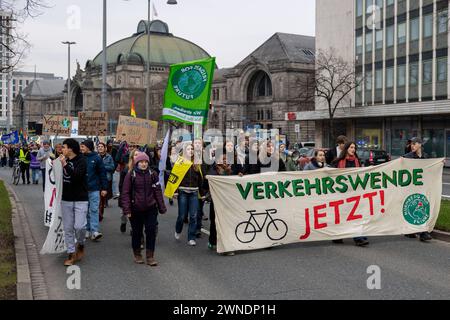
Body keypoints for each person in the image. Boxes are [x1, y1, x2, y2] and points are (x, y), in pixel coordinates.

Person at [121, 153, 167, 266]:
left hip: (151, 208)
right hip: (135, 209)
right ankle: (137, 254)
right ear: (137, 163)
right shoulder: (131, 175)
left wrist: (161, 206)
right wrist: (127, 210)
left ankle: (150, 256)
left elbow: (157, 191)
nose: (144, 164)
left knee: (151, 231)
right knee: (137, 232)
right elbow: (125, 193)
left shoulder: (153, 174)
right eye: (141, 162)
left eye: (146, 162)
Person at [332, 142, 369, 247]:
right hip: (341, 194)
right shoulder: (338, 161)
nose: (353, 149)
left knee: (355, 216)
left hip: (354, 193)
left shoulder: (357, 161)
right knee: (342, 216)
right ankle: (337, 236)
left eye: (354, 148)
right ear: (347, 148)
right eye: (351, 147)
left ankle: (359, 238)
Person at [60, 139, 88, 267]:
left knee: (79, 227)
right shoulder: (60, 160)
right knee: (68, 228)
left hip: (80, 198)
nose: (62, 150)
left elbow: (77, 176)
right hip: (66, 198)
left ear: (70, 149)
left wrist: (65, 165)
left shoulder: (81, 161)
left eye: (64, 147)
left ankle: (81, 243)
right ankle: (71, 253)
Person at [173, 143, 205, 246]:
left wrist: (202, 193)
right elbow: (174, 177)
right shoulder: (180, 162)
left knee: (193, 216)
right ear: (184, 151)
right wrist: (175, 191)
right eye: (188, 149)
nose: (190, 151)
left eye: (192, 149)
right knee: (182, 216)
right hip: (183, 192)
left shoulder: (197, 163)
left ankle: (191, 237)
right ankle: (178, 230)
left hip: (194, 193)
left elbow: (200, 179)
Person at [403, 137, 433, 242]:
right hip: (411, 187)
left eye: (414, 144)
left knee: (422, 207)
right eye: (411, 144)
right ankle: (412, 230)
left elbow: (431, 168)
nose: (412, 146)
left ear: (420, 144)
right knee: (411, 207)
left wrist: (439, 164)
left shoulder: (426, 156)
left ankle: (423, 232)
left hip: (423, 187)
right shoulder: (407, 157)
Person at [205, 152, 235, 255]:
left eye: (227, 159)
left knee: (226, 223)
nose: (226, 160)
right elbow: (208, 181)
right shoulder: (213, 170)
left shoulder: (230, 171)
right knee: (215, 222)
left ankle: (225, 247)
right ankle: (212, 240)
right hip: (216, 200)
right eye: (223, 158)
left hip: (227, 201)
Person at [80, 140, 108, 241]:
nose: (81, 148)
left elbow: (102, 174)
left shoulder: (97, 158)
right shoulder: (80, 157)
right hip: (82, 189)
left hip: (95, 189)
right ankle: (87, 229)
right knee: (85, 210)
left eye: (83, 146)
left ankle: (95, 231)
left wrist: (104, 188)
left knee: (94, 209)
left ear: (88, 147)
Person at [118, 147, 140, 233]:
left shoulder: (143, 168)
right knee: (124, 212)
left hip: (136, 195)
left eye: (139, 155)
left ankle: (132, 228)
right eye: (135, 155)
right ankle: (123, 222)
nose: (137, 157)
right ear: (131, 157)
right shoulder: (126, 169)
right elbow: (121, 183)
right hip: (126, 194)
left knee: (134, 213)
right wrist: (122, 194)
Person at [98, 142, 115, 221]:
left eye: (102, 146)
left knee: (102, 197)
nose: (100, 148)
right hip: (97, 180)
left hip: (106, 179)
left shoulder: (109, 157)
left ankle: (101, 213)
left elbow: (112, 167)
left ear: (105, 148)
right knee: (98, 198)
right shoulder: (96, 157)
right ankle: (98, 214)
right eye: (99, 147)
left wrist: (102, 167)